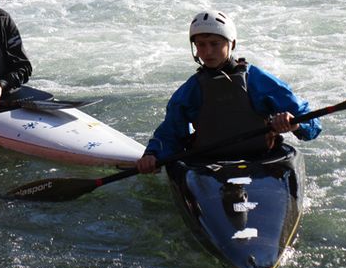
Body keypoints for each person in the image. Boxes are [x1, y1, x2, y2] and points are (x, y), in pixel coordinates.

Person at [137, 10, 321, 174]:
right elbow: (170, 134)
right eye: (201, 45)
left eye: (214, 44)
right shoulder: (190, 91)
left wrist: (295, 124)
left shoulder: (258, 81)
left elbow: (312, 124)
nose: (207, 52)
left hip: (262, 161)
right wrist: (152, 155)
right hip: (209, 166)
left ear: (231, 44)